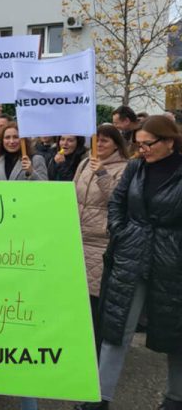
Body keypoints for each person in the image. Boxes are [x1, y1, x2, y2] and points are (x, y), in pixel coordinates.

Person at [76, 116, 182, 410]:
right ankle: (100, 396)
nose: (142, 149)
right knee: (116, 326)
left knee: (176, 332)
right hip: (131, 257)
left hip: (171, 263)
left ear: (169, 142)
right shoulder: (135, 169)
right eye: (139, 143)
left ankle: (175, 397)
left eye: (148, 144)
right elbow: (117, 204)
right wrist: (123, 233)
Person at [73, 124, 128, 349]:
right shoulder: (85, 162)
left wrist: (103, 174)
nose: (100, 145)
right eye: (96, 140)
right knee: (76, 301)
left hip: (99, 242)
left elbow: (120, 201)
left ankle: (94, 354)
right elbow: (73, 192)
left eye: (105, 140)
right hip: (76, 238)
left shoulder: (125, 168)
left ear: (116, 143)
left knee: (94, 302)